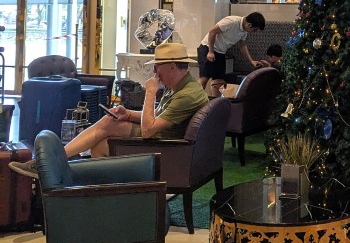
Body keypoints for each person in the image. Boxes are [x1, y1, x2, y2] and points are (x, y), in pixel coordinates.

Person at [10, 42, 208, 178]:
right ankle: (102, 191)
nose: (154, 71)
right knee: (100, 145)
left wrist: (150, 93)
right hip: (163, 137)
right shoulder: (179, 86)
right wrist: (127, 114)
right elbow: (159, 116)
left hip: (167, 146)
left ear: (172, 67)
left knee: (108, 124)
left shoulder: (186, 94)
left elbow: (148, 130)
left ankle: (49, 163)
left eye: (157, 66)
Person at [197, 12, 265, 89]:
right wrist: (211, 51)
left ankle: (217, 97)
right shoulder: (231, 21)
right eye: (254, 30)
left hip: (221, 52)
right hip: (208, 48)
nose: (253, 32)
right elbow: (212, 32)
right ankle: (196, 97)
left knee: (219, 81)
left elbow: (242, 45)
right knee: (204, 78)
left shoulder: (244, 30)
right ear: (249, 25)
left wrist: (251, 61)